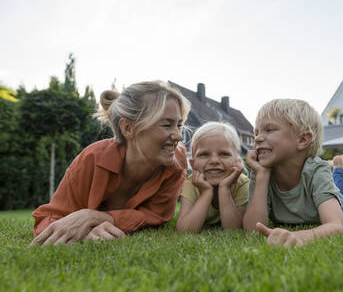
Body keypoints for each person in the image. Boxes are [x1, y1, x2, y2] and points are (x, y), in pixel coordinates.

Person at [30, 80, 190, 246]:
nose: (178, 136)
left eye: (179, 125)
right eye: (166, 125)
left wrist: (96, 217)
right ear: (128, 128)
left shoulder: (175, 162)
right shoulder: (92, 159)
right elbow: (48, 218)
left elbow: (157, 215)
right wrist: (83, 234)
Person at [243, 99, 343, 247]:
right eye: (256, 132)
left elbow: (337, 226)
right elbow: (252, 229)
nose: (258, 138)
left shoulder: (316, 170)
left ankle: (338, 168)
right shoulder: (261, 170)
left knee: (341, 194)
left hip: (333, 201)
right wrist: (262, 175)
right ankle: (337, 168)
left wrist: (296, 236)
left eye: (269, 130)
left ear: (302, 139)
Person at [176, 122, 249, 232]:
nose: (214, 161)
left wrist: (224, 189)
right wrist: (206, 192)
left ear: (237, 161)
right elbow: (184, 231)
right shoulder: (191, 184)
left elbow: (233, 230)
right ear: (193, 164)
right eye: (204, 154)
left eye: (224, 154)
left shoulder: (241, 183)